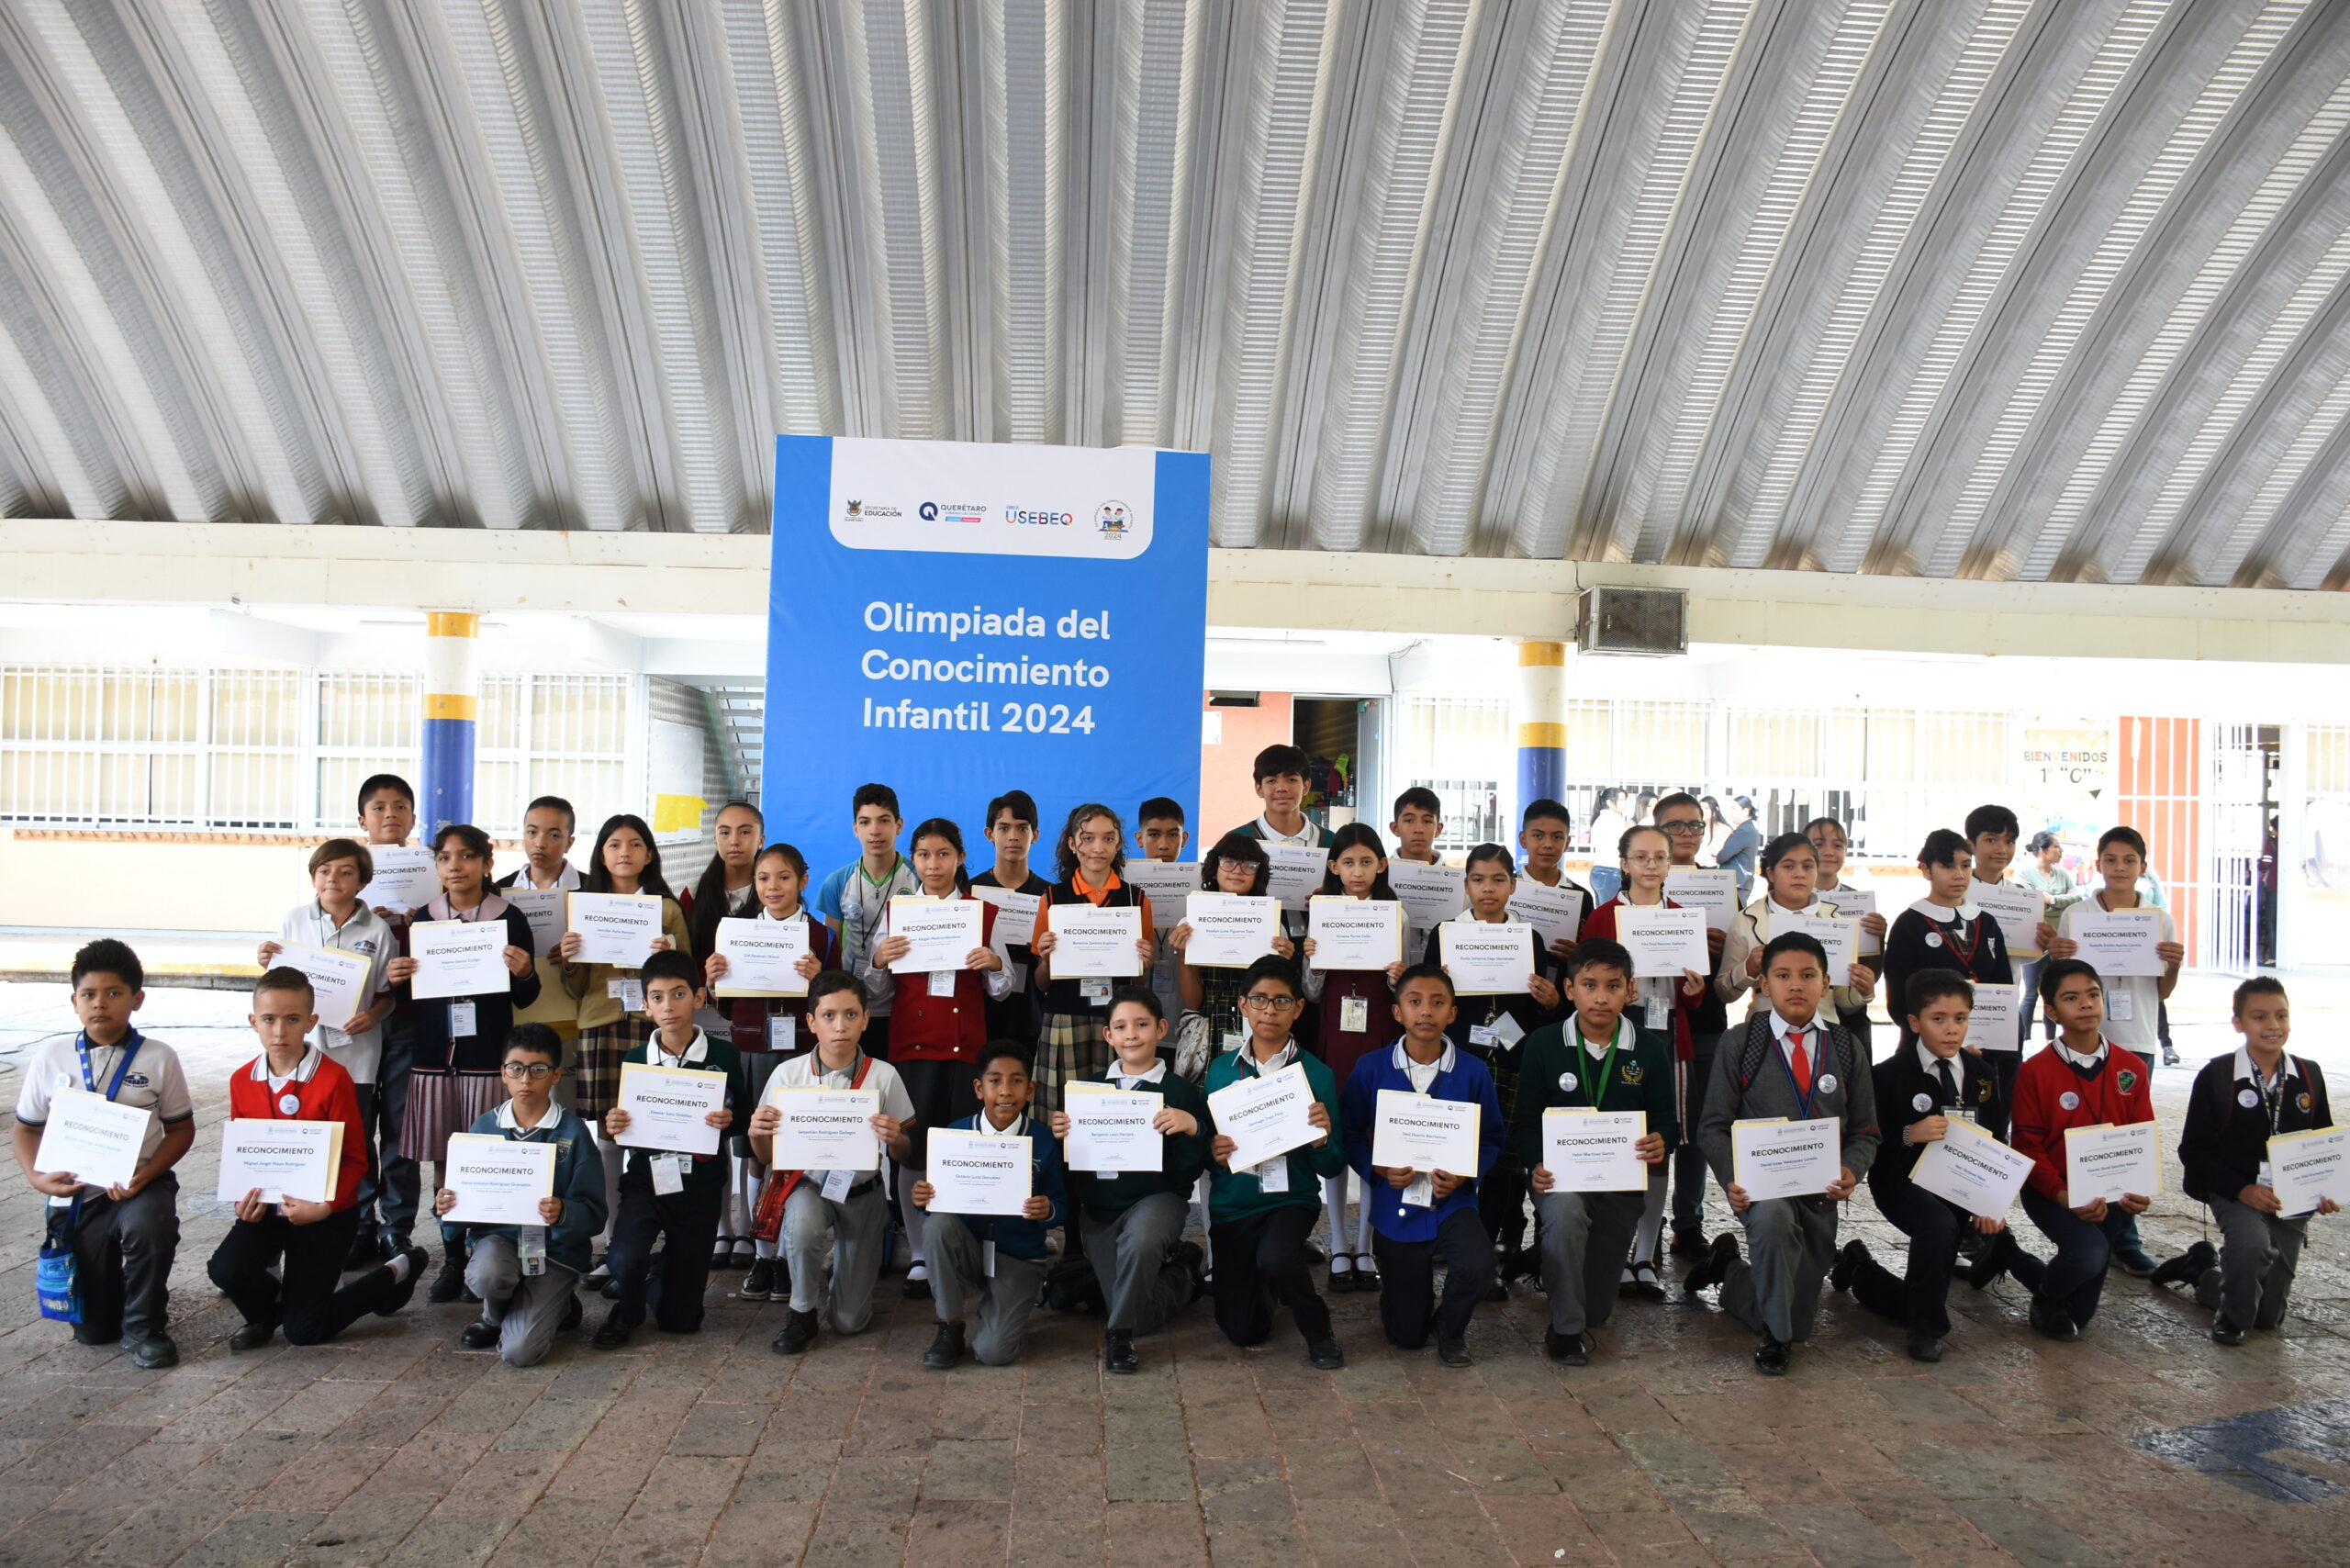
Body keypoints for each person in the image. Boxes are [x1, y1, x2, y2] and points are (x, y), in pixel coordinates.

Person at [1683, 932, 1880, 1375]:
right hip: (1761, 1191)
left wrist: (1851, 1169)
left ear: (1825, 983)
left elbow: (1867, 1131)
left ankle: (1730, 1269)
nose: (1796, 985)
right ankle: (1774, 1340)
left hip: (1820, 1193)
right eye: (1783, 975)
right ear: (1764, 985)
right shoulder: (1741, 1044)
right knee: (1773, 1233)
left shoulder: (1846, 1049)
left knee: (1801, 1321)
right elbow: (1712, 1127)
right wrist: (1734, 1179)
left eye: (1808, 975)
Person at [209, 968, 424, 1350]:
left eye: (292, 1020)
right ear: (253, 1022)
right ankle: (268, 1314)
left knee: (304, 1332)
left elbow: (356, 1160)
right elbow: (245, 1149)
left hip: (324, 1213)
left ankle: (395, 1271)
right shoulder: (242, 1080)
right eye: (269, 1020)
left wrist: (324, 1208)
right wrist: (242, 1200)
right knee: (224, 1269)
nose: (279, 1031)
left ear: (311, 1022)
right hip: (270, 1208)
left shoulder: (334, 1078)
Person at [1834, 971, 2042, 1362]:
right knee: (1939, 1225)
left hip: (1963, 1182)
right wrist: (1910, 1134)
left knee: (1925, 1269)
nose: (1951, 1030)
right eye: (1939, 1019)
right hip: (1902, 1182)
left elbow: (1996, 1138)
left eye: (1960, 1018)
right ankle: (1927, 1327)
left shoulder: (1981, 1073)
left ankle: (1860, 1268)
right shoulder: (1888, 1075)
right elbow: (1870, 1139)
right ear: (1914, 1023)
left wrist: (1991, 1202)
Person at [13, 940, 194, 1369]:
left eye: (114, 993)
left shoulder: (158, 1057)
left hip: (140, 1185)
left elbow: (182, 1129)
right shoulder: (52, 1055)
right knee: (94, 1332)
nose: (101, 1005)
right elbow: (25, 1128)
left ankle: (146, 1327)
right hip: (79, 1195)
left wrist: (149, 1174)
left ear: (137, 999)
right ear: (74, 1001)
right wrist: (37, 1178)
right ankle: (113, 1299)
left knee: (149, 1226)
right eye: (89, 995)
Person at [387, 823, 543, 1304]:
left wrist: (525, 970)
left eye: (466, 857)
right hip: (435, 1059)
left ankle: (485, 1250)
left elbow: (526, 994)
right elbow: (412, 997)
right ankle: (452, 1258)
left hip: (485, 1059)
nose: (455, 867)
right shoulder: (422, 921)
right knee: (444, 1163)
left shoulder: (508, 917)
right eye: (445, 858)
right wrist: (397, 980)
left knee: (488, 1159)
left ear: (486, 864)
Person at [862, 817, 1013, 1300]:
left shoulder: (982, 913)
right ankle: (923, 1253)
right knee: (913, 1149)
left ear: (961, 858)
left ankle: (969, 1244)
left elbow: (1005, 988)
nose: (933, 864)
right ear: (915, 860)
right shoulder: (897, 913)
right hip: (911, 1048)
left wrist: (993, 965)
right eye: (924, 854)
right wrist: (880, 960)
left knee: (968, 1147)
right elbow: (877, 990)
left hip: (967, 1048)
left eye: (943, 854)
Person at [1514, 940, 1675, 1365]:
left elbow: (1666, 1122)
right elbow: (1525, 1124)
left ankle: (1549, 1260)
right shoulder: (1544, 1044)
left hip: (1620, 1187)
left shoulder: (1649, 1048)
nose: (1601, 996)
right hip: (1560, 1181)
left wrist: (1661, 1140)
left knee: (1599, 1313)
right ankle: (1564, 1330)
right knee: (1565, 1215)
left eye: (1612, 985)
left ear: (1630, 990)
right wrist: (1536, 1164)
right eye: (1589, 985)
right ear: (1569, 990)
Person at [2155, 977, 2337, 1344]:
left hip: (2289, 1199)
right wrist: (2242, 1189)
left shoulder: (2308, 1074)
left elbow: (2324, 1141)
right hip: (2233, 1188)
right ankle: (2231, 1318)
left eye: (2281, 1015)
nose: (2273, 1025)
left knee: (2268, 1318)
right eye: (2259, 1017)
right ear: (2238, 1023)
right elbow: (2193, 1150)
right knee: (2252, 1246)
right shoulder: (2217, 1076)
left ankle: (2203, 1273)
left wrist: (2326, 1188)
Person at [1340, 964, 1503, 1367]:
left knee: (1479, 1267)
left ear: (1453, 1012)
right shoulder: (1371, 1068)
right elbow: (1349, 1131)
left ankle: (1451, 1329)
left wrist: (1467, 1173)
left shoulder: (1472, 1071)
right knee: (1407, 1337)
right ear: (1398, 1013)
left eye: (1437, 1002)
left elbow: (1493, 1137)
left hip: (1453, 1203)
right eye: (1414, 1002)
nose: (1425, 1011)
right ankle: (1404, 1299)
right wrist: (1377, 1169)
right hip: (1396, 1206)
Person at [747, 972, 915, 1355]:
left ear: (866, 1019)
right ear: (811, 1022)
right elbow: (766, 1157)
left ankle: (842, 1267)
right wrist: (757, 1132)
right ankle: (801, 1310)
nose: (840, 1026)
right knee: (803, 1219)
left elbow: (904, 1155)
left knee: (849, 1323)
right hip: (807, 1187)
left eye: (851, 1014)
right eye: (828, 1016)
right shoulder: (788, 1075)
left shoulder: (883, 1076)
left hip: (863, 1192)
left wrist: (897, 1139)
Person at [1576, 823, 1710, 1294]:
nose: (1651, 865)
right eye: (1641, 857)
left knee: (1658, 1144)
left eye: (1659, 857)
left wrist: (1694, 991)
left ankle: (1646, 1254)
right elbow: (1587, 981)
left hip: (1669, 1041)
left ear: (1670, 863)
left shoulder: (1683, 918)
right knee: (1608, 1136)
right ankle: (1604, 1249)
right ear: (1625, 864)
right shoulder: (1603, 917)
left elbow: (1690, 998)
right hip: (1613, 1038)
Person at [1047, 988, 1209, 1373]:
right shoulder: (1086, 1091)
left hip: (1157, 1201)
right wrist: (1061, 1137)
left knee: (1139, 1247)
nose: (1131, 1034)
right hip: (1101, 1211)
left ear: (1161, 1029)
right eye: (1120, 1027)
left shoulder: (1181, 1091)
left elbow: (1190, 1172)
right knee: (1142, 1311)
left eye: (1141, 1025)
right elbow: (1071, 1170)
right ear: (1109, 1036)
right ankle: (1184, 1274)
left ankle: (1119, 1337)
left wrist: (1193, 1128)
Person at [702, 842, 836, 1302]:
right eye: (763, 878)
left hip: (801, 1055)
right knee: (756, 1147)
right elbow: (725, 1003)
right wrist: (713, 981)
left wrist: (819, 978)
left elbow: (835, 1000)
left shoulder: (820, 937)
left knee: (796, 1147)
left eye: (783, 877)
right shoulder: (735, 933)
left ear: (803, 880)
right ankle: (762, 1250)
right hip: (751, 1049)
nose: (772, 886)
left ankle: (785, 1255)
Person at [557, 812, 690, 1273]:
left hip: (651, 1026)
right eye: (614, 845)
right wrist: (571, 961)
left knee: (658, 1129)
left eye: (634, 845)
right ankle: (615, 1242)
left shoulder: (665, 908)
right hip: (599, 1025)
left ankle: (665, 1237)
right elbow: (575, 989)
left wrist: (667, 954)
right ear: (601, 854)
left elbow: (688, 977)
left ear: (649, 854)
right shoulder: (583, 906)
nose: (624, 853)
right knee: (609, 1133)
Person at [590, 951, 744, 1349]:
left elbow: (741, 1116)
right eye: (657, 997)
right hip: (647, 1178)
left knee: (681, 1321)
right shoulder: (636, 1059)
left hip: (701, 1186)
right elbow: (625, 1126)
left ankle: (659, 1280)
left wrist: (731, 1121)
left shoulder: (723, 1056)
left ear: (698, 996)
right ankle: (626, 1307)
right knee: (623, 1258)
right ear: (644, 1005)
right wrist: (615, 1126)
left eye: (678, 994)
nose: (668, 1006)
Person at [2046, 826, 2181, 1274]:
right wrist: (2057, 955)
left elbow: (2162, 992)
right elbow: (2062, 982)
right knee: (2079, 1133)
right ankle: (2082, 1225)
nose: (2119, 868)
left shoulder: (2158, 919)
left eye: (2129, 860)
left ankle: (2125, 1238)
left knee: (2128, 1141)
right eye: (2111, 859)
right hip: (2084, 1041)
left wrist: (2174, 964)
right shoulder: (2078, 916)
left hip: (2137, 1039)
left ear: (2143, 866)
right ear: (2098, 863)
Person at [1201, 956, 1346, 1369]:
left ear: (1299, 1008)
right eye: (1260, 1000)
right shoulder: (1220, 1072)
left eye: (1282, 1001)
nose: (1270, 1010)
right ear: (1243, 1005)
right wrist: (1214, 1151)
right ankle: (1268, 1283)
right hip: (1233, 1206)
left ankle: (1318, 1330)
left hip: (1290, 1198)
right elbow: (1210, 1156)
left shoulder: (1316, 1074)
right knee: (1244, 1332)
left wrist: (1322, 1142)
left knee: (1278, 1257)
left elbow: (1334, 1166)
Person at [258, 837, 397, 1266]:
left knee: (355, 1142)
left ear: (363, 880)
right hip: (300, 1056)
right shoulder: (295, 921)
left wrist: (373, 1016)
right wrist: (265, 961)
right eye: (324, 871)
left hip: (356, 1058)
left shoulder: (377, 930)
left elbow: (387, 995)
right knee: (300, 1139)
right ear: (314, 877)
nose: (332, 879)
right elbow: (279, 985)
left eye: (344, 871)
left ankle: (360, 1226)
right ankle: (294, 1217)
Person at [434, 1025, 607, 1367]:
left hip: (554, 1254)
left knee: (519, 1353)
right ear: (503, 1074)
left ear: (556, 1074)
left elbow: (594, 1213)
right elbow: (463, 1205)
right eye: (516, 1068)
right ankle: (494, 1316)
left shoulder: (573, 1134)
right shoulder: (484, 1127)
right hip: (499, 1243)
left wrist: (563, 1213)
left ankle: (559, 1303)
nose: (525, 1079)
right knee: (487, 1274)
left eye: (538, 1069)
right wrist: (447, 1207)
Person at [1438, 843, 1562, 1298]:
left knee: (1502, 1168)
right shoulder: (1446, 933)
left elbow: (1534, 1012)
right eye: (1477, 880)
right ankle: (1460, 1254)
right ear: (1465, 884)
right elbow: (1435, 1004)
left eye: (1497, 880)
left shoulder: (1529, 938)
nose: (1487, 889)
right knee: (1460, 1160)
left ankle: (1487, 1257)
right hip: (1463, 1064)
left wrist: (1552, 1002)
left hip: (1512, 1061)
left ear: (1513, 884)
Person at [2007, 959, 2154, 1341]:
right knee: (2089, 1255)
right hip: (2053, 1192)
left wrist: (2140, 1189)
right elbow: (2027, 1146)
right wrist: (2063, 1195)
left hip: (2110, 1197)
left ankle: (2007, 1257)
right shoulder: (2034, 1071)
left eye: (2093, 994)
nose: (2086, 1004)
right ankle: (2042, 1297)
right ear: (2052, 1012)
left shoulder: (2132, 1068)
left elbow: (2141, 1136)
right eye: (2072, 998)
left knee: (2079, 1314)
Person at [911, 1043, 1068, 1369]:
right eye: (995, 1081)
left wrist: (1047, 1210)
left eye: (1017, 1081)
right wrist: (924, 1199)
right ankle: (949, 1325)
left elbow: (1063, 1205)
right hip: (969, 1250)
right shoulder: (953, 1135)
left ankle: (1007, 1305)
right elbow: (938, 1202)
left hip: (1018, 1258)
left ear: (1031, 1089)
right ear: (979, 1089)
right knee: (937, 1224)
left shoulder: (1044, 1142)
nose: (1006, 1091)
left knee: (994, 1353)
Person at [1300, 823, 1405, 1295]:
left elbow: (1406, 993)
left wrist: (1397, 975)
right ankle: (1339, 1243)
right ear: (1333, 866)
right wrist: (1314, 960)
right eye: (1348, 862)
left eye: (1366, 861)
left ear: (1381, 864)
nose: (1357, 871)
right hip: (1337, 1032)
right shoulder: (1319, 911)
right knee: (1337, 1131)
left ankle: (1366, 1243)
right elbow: (1311, 992)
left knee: (1377, 1133)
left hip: (1380, 1033)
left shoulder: (1395, 913)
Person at [1882, 830, 2018, 1137]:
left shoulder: (1986, 921)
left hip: (1981, 1055)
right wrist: (1935, 1035)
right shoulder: (1910, 923)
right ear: (1926, 870)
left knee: (1981, 1135)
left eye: (1965, 865)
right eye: (1947, 866)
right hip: (1924, 1052)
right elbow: (1899, 998)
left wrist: (1987, 1046)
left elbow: (2003, 989)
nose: (1959, 874)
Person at [1028, 803, 1157, 1115]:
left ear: (1118, 844)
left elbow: (1137, 982)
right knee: (1063, 1114)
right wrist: (1045, 960)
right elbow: (1041, 983)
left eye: (1108, 838)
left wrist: (1145, 961)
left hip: (1117, 1022)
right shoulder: (1052, 898)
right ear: (1072, 844)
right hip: (1064, 1017)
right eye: (1087, 838)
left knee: (1112, 1111)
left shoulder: (1135, 899)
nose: (1097, 847)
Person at [355, 773, 424, 1267]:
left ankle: (397, 1228)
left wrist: (420, 917)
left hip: (409, 1017)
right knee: (356, 1125)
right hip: (354, 1022)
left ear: (413, 818)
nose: (390, 815)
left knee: (401, 1125)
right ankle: (358, 1224)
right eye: (379, 808)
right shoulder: (344, 872)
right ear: (363, 819)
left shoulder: (432, 871)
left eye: (399, 806)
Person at [1717, 832, 1877, 1025]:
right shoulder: (1747, 921)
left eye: (1808, 866)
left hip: (1823, 1029)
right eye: (1788, 866)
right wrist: (1747, 969)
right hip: (1764, 1032)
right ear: (1771, 873)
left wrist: (1864, 991)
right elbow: (1724, 993)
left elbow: (1842, 1000)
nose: (1799, 873)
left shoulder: (1835, 920)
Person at [1967, 805, 2060, 1121]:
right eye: (1991, 840)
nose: (2002, 850)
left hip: (2004, 1012)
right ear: (1971, 844)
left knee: (2002, 1097)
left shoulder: (2022, 898)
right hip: (1958, 1012)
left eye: (2009, 842)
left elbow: (2024, 955)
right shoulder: (1954, 891)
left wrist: (2044, 944)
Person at [812, 783, 919, 1058]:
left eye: (884, 821)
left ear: (899, 825)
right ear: (855, 828)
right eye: (865, 822)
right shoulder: (837, 882)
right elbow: (830, 950)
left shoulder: (918, 878)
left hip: (903, 1002)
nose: (875, 831)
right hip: (852, 1007)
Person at [1172, 833, 1296, 1057]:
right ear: (1214, 866)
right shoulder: (1190, 922)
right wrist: (1183, 957)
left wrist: (1284, 963)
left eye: (1249, 865)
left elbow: (1278, 994)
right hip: (1207, 1031)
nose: (1238, 871)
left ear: (1258, 873)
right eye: (1228, 862)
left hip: (1258, 1026)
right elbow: (1192, 1002)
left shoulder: (1272, 924)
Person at [494, 796, 585, 1049]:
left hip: (575, 1015)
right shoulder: (498, 892)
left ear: (570, 843)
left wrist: (576, 953)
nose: (540, 843)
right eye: (532, 832)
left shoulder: (591, 891)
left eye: (554, 835)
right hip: (518, 1015)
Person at [684, 801, 767, 1056]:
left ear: (761, 839)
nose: (734, 841)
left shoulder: (773, 892)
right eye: (724, 832)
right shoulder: (694, 892)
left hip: (756, 1012)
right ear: (714, 838)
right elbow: (685, 954)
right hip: (703, 1011)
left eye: (745, 832)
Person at [972, 789, 1052, 1046]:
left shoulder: (1050, 896)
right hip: (981, 1016)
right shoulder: (970, 893)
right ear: (989, 834)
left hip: (1032, 1017)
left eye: (1022, 828)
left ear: (1035, 835)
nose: (1013, 837)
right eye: (1004, 828)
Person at [1802, 815, 1888, 1047]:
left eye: (1838, 845)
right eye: (1819, 844)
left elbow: (1872, 971)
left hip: (1851, 1013)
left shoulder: (1858, 902)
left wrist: (1879, 937)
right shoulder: (1791, 899)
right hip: (1803, 1008)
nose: (1829, 851)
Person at [2015, 830, 2079, 1043]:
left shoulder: (2062, 873)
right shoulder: (2024, 874)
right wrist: (2057, 901)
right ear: (2042, 850)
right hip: (2034, 940)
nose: (2061, 851)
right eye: (2056, 847)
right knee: (2032, 990)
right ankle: (2023, 1040)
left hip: (2060, 939)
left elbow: (2078, 897)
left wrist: (2052, 900)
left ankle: (2051, 1040)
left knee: (2053, 991)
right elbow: (2030, 900)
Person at [1136, 796, 1192, 1022]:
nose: (1163, 844)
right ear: (1139, 839)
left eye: (1173, 834)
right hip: (1136, 1013)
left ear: (1184, 838)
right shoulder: (1124, 891)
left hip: (1182, 1012)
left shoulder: (1200, 893)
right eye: (1153, 834)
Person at [1516, 799, 1592, 967]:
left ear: (1567, 843)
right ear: (1523, 840)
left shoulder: (1581, 898)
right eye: (1538, 836)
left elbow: (1589, 956)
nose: (1548, 845)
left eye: (1557, 837)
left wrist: (1578, 955)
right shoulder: (1505, 889)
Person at [1230, 743, 1334, 851]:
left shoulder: (1330, 842)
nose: (1281, 788)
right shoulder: (1235, 842)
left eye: (1291, 780)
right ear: (1259, 789)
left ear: (1306, 786)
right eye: (1271, 781)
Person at [1388, 786, 1447, 961]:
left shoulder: (1459, 884)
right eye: (1409, 820)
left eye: (1428, 821)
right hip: (1390, 976)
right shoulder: (1379, 876)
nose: (1418, 829)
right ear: (1395, 828)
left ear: (1438, 829)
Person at [1713, 797, 1760, 901]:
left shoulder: (1744, 831)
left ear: (1745, 811)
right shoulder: (1749, 829)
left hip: (1737, 883)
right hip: (1740, 882)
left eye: (1733, 808)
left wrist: (1718, 856)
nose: (1730, 813)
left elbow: (1722, 856)